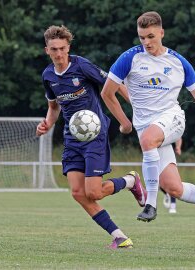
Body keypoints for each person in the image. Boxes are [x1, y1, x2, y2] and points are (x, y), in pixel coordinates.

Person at [101, 11, 195, 228]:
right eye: (142, 37)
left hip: (172, 118)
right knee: (174, 188)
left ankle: (150, 204)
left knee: (147, 141)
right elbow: (107, 93)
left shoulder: (178, 62)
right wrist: (125, 122)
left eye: (151, 36)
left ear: (162, 33)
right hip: (147, 128)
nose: (146, 42)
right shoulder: (129, 58)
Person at [36, 25, 147, 250]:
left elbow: (115, 86)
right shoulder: (48, 75)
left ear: (69, 47)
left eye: (62, 48)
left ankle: (130, 181)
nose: (59, 53)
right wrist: (47, 123)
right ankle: (119, 237)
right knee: (78, 193)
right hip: (71, 137)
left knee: (94, 192)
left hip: (95, 134)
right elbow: (54, 107)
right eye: (54, 49)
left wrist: (136, 112)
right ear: (47, 50)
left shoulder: (82, 66)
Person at [162, 138, 182, 214]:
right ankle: (167, 193)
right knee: (158, 182)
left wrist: (178, 147)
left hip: (168, 155)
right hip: (155, 155)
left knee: (172, 182)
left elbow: (178, 136)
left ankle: (173, 206)